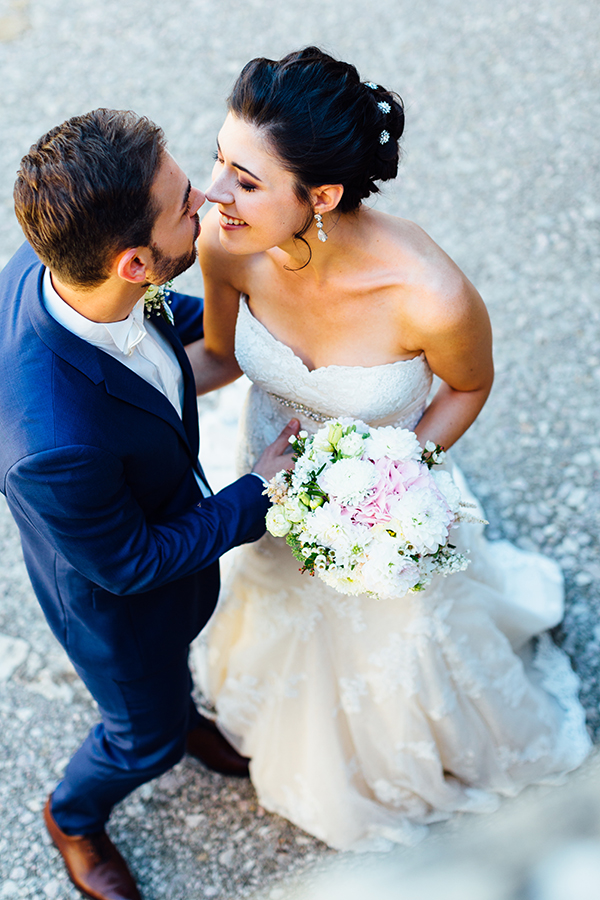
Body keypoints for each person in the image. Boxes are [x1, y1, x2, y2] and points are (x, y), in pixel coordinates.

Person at [187, 48, 591, 851]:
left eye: (247, 180)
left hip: (381, 504)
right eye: (219, 160)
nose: (213, 191)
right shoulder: (226, 242)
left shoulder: (431, 295)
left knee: (401, 637)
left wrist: (393, 483)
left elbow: (468, 386)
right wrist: (117, 389)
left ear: (323, 196)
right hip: (265, 472)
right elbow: (221, 356)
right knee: (274, 593)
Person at [0, 109, 298, 900]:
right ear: (134, 264)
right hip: (119, 613)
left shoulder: (58, 259)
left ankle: (182, 712)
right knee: (142, 736)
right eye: (185, 206)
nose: (207, 199)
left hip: (149, 514)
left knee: (173, 681)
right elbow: (130, 563)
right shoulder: (52, 445)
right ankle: (73, 816)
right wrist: (258, 491)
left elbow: (178, 330)